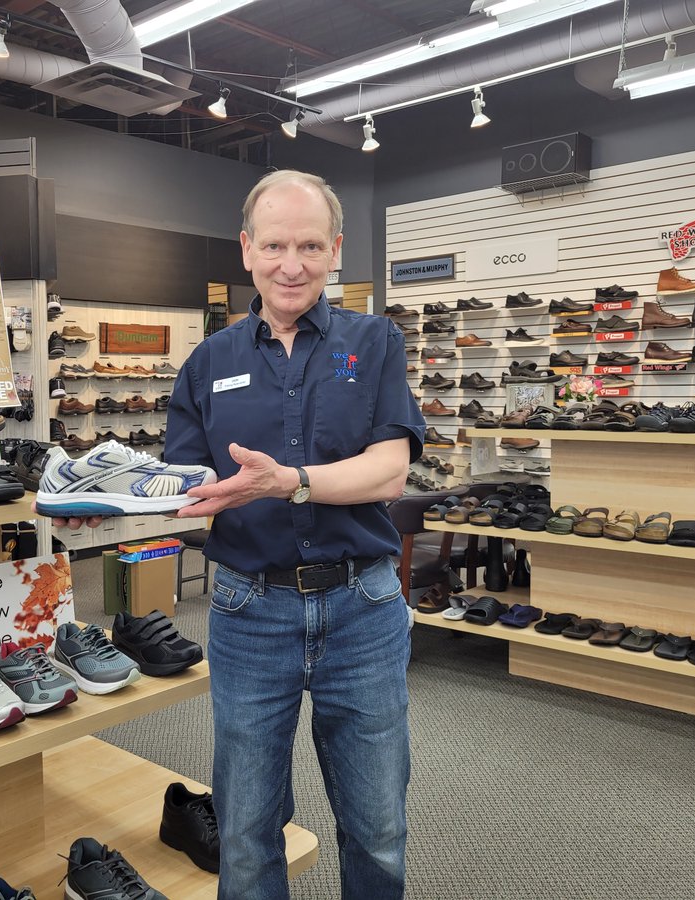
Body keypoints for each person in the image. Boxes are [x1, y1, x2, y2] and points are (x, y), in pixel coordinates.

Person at [165, 169, 425, 900]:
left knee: (377, 828)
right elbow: (180, 484)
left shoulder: (374, 342)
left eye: (310, 245)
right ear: (246, 249)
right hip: (249, 614)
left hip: (363, 611)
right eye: (275, 245)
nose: (292, 264)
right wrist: (118, 503)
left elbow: (389, 471)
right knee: (246, 833)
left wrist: (292, 481)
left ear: (335, 249)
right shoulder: (208, 362)